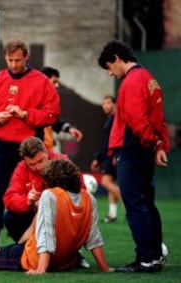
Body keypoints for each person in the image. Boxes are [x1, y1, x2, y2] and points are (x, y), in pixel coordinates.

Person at [0, 159, 114, 274]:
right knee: (16, 244)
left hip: (37, 259)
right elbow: (93, 237)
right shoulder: (88, 197)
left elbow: (46, 234)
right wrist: (105, 268)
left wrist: (41, 268)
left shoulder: (50, 195)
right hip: (66, 262)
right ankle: (16, 247)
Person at [0, 39, 61, 250]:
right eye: (10, 60)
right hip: (0, 148)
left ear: (26, 57)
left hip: (30, 150)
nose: (14, 64)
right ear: (5, 57)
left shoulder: (41, 82)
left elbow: (52, 113)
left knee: (39, 198)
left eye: (18, 60)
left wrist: (25, 114)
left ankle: (43, 246)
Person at [98, 40, 170, 273]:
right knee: (147, 203)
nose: (110, 72)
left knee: (135, 205)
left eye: (109, 66)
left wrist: (151, 142)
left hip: (132, 148)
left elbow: (137, 120)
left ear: (118, 58)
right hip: (145, 150)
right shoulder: (150, 79)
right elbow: (158, 119)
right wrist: (160, 144)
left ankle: (146, 258)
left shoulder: (130, 82)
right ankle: (155, 256)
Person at [3, 136, 68, 242]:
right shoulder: (22, 168)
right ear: (25, 160)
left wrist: (45, 201)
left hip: (59, 214)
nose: (38, 167)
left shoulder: (62, 162)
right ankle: (27, 250)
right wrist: (27, 201)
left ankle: (73, 253)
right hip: (35, 214)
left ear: (46, 151)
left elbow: (77, 193)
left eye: (41, 161)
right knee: (10, 218)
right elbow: (9, 198)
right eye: (32, 164)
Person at [90, 95, 122, 223]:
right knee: (111, 184)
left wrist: (116, 154)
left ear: (115, 104)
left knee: (106, 182)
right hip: (109, 155)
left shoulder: (117, 119)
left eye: (108, 103)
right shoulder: (110, 119)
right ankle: (112, 214)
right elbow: (106, 142)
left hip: (113, 155)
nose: (106, 106)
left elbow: (115, 139)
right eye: (104, 104)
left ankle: (129, 207)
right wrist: (99, 158)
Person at [38, 67, 83, 151]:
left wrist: (68, 129)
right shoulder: (34, 100)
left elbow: (53, 120)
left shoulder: (48, 101)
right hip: (37, 152)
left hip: (46, 151)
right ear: (45, 81)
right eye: (54, 82)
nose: (57, 85)